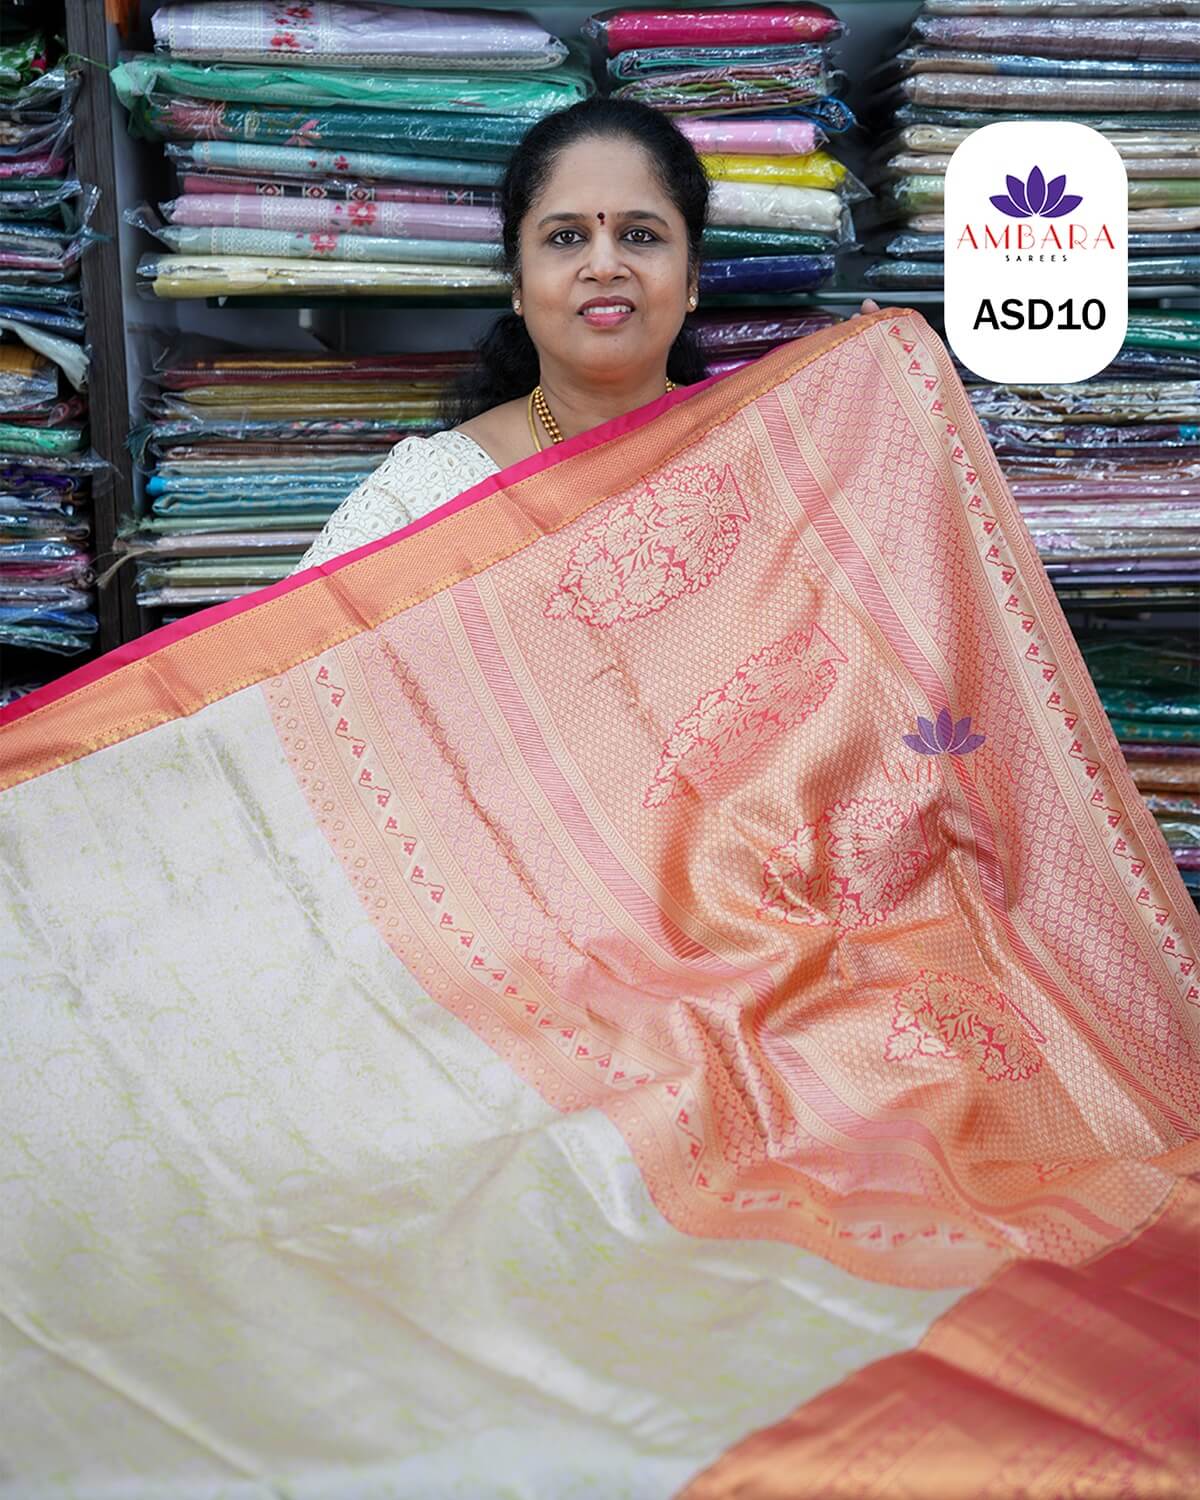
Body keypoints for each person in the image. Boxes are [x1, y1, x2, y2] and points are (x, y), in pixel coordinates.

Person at [290, 97, 880, 576]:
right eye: (566, 238)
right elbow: (286, 662)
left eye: (641, 235)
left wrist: (885, 422)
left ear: (692, 277)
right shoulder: (431, 492)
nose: (603, 265)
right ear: (518, 283)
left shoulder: (765, 466)